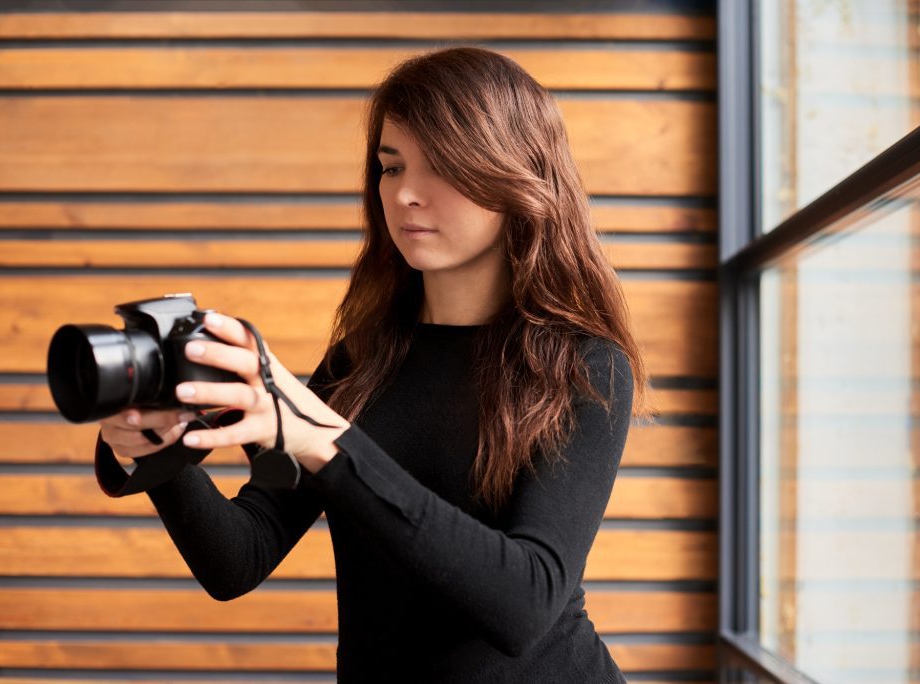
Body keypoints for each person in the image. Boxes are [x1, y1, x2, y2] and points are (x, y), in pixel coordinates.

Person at [95, 46, 649, 683]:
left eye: (441, 167)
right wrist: (158, 453)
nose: (406, 194)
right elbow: (237, 558)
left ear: (513, 176)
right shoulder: (363, 358)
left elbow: (523, 605)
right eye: (390, 167)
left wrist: (326, 444)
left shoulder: (584, 367)